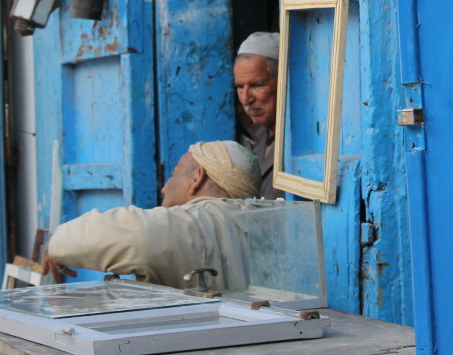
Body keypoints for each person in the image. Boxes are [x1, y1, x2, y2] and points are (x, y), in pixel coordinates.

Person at [44, 141, 260, 292]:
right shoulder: (265, 224)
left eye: (174, 174)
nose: (164, 188)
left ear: (197, 177)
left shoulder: (193, 223)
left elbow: (136, 235)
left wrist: (56, 243)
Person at [233, 32, 284, 199]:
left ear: (283, 81)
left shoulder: (298, 145)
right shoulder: (260, 138)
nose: (246, 98)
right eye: (240, 87)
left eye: (257, 85)